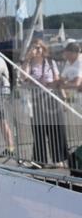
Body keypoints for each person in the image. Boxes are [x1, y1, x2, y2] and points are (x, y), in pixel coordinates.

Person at [22, 39, 68, 167]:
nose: (37, 50)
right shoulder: (29, 64)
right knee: (39, 130)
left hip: (52, 98)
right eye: (34, 47)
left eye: (39, 47)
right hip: (36, 100)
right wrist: (27, 59)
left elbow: (58, 81)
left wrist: (63, 98)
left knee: (55, 129)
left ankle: (58, 159)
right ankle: (39, 160)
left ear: (43, 49)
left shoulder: (51, 63)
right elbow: (23, 77)